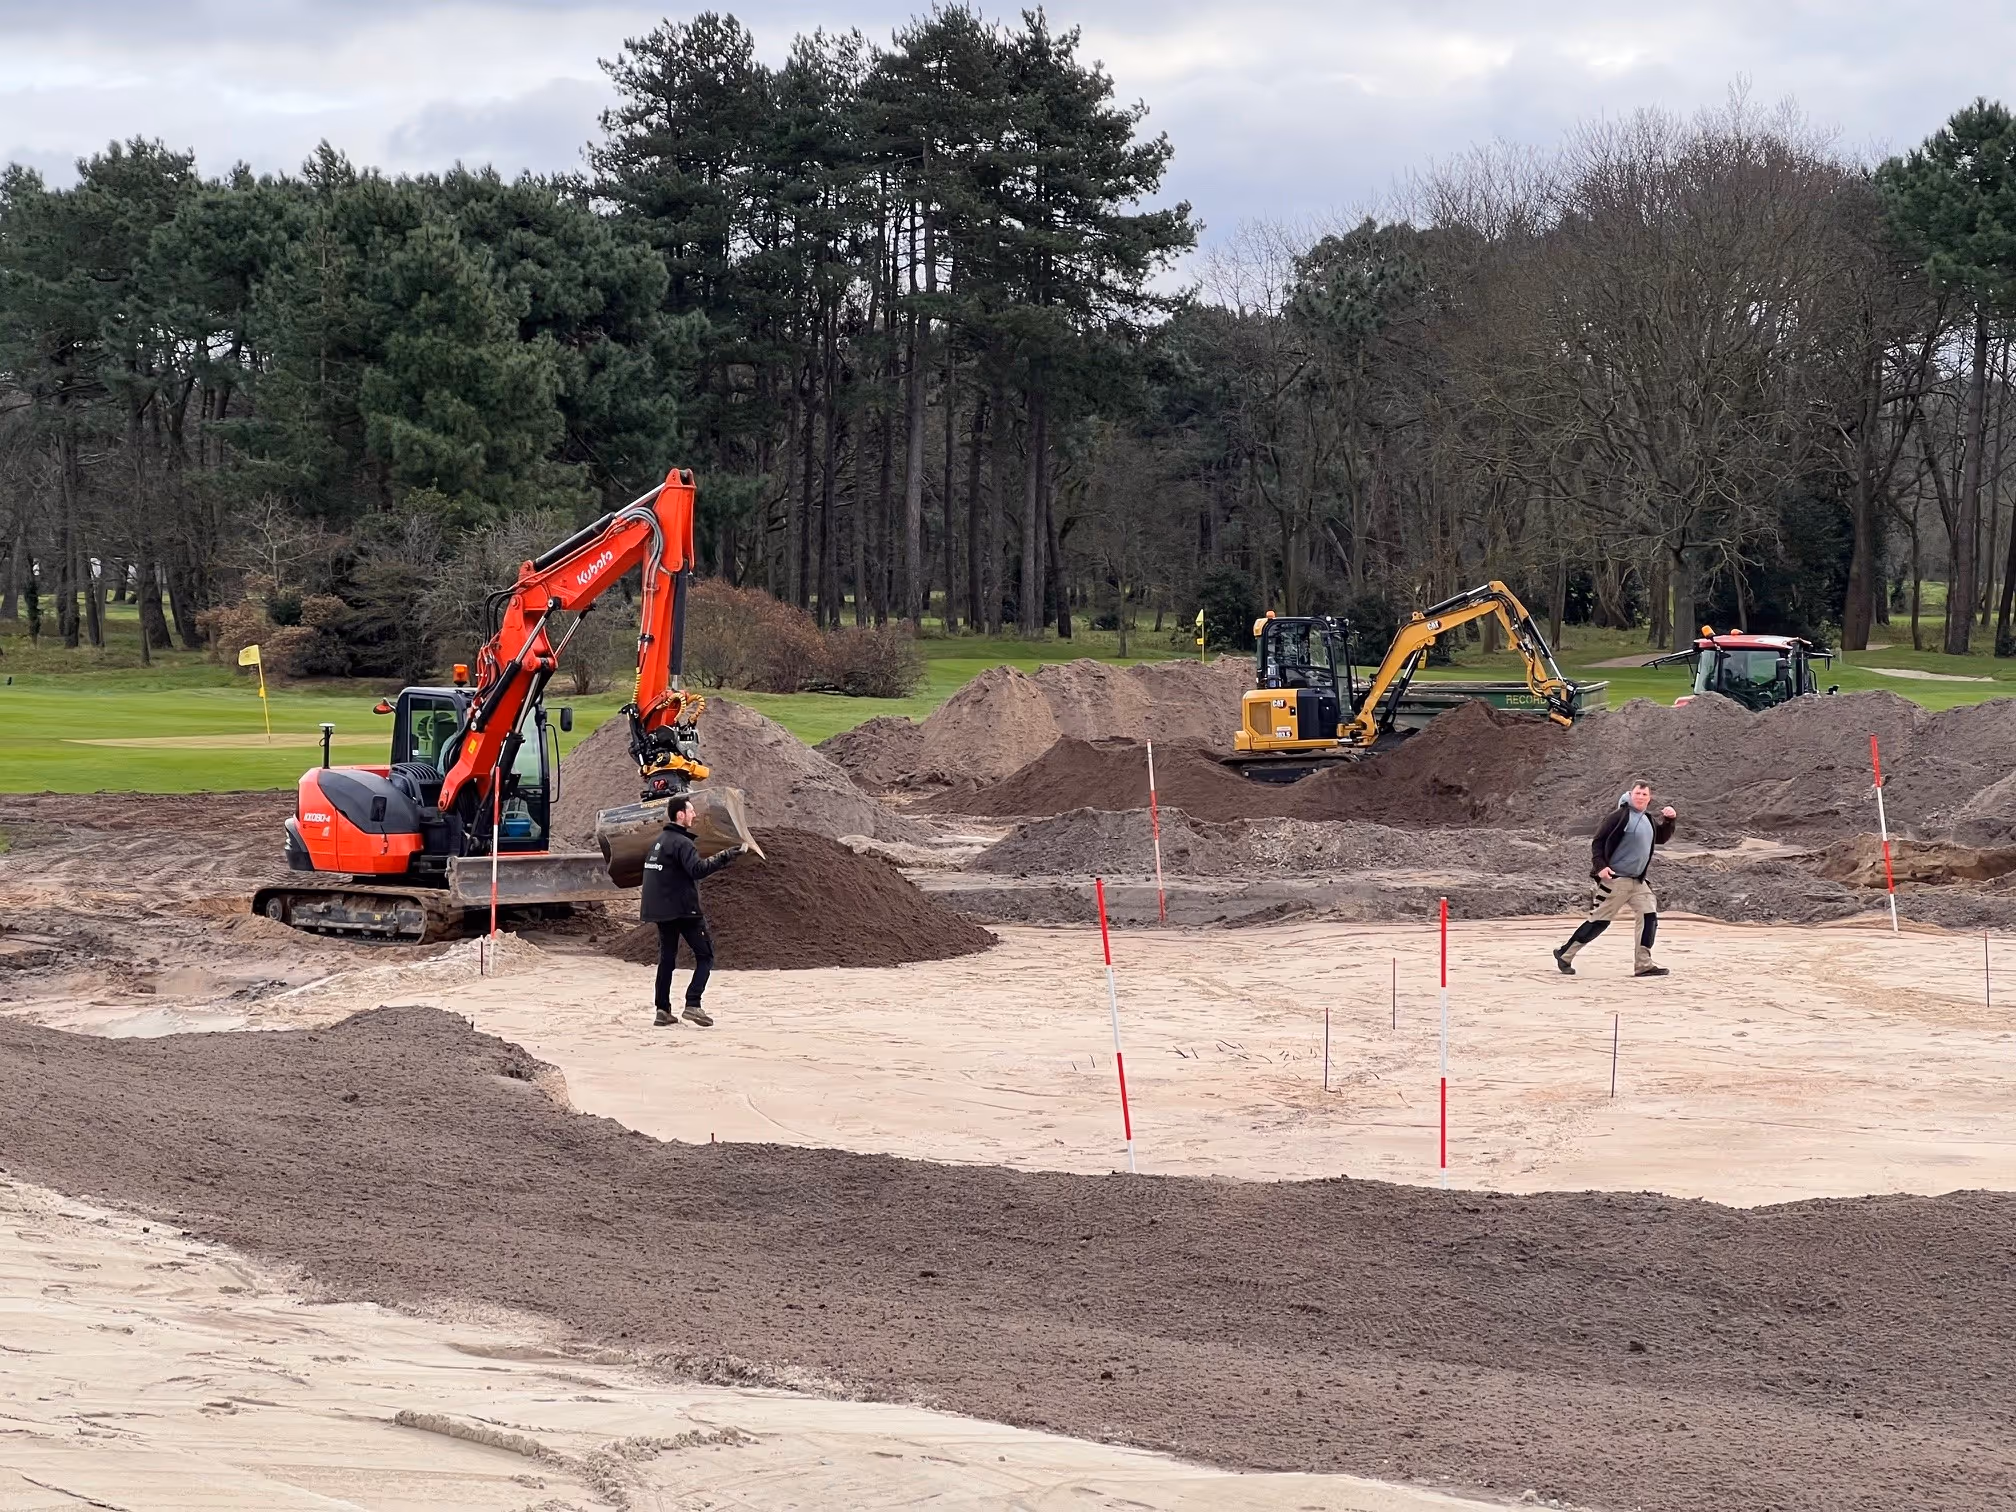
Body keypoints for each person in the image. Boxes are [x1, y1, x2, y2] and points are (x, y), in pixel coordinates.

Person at [640, 795, 747, 1026]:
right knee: (705, 956)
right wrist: (726, 856)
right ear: (680, 815)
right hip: (684, 910)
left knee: (667, 959)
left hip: (661, 910)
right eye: (691, 811)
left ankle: (662, 1010)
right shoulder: (682, 843)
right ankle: (693, 1004)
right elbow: (697, 870)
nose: (695, 815)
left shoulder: (659, 841)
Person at [1553, 781, 1677, 979]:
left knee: (1649, 917)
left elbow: (1660, 838)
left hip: (1638, 881)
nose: (1641, 797)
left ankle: (1643, 965)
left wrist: (1669, 821)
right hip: (1615, 879)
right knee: (1599, 921)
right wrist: (1600, 867)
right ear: (1630, 794)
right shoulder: (1618, 817)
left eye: (1645, 794)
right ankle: (1564, 954)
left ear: (1649, 797)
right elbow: (1598, 841)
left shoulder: (1648, 818)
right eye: (1638, 793)